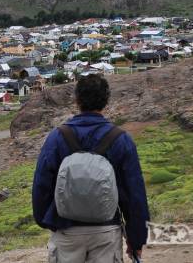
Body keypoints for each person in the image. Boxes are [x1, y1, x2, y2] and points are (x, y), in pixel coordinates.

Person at [32, 74, 149, 262]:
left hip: (66, 231)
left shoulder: (57, 137)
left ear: (77, 100)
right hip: (106, 231)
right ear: (106, 101)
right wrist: (136, 239)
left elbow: (42, 185)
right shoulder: (121, 139)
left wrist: (46, 220)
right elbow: (134, 192)